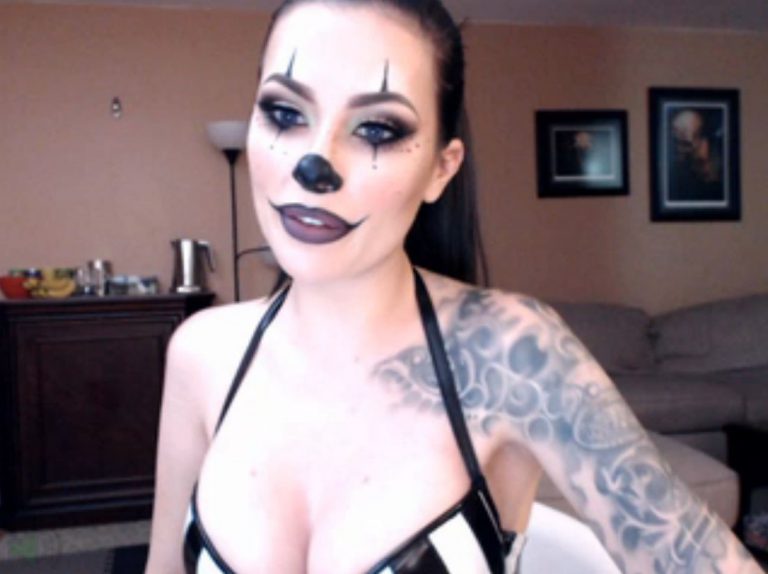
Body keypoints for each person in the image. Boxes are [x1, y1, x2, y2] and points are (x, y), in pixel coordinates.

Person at [145, 0, 763, 572]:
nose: (315, 166)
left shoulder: (514, 354)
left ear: (441, 169)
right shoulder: (201, 354)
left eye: (377, 130)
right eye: (285, 114)